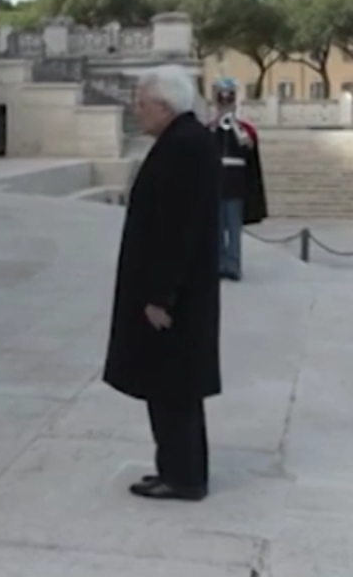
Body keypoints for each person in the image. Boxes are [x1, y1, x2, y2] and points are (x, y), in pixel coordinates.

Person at [103, 65, 222, 502]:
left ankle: (185, 476)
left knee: (174, 385)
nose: (137, 111)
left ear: (164, 105)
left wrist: (159, 295)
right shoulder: (182, 141)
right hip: (177, 293)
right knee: (169, 383)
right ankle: (174, 467)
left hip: (176, 298)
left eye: (142, 102)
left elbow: (178, 230)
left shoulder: (185, 148)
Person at [208, 78, 268, 281]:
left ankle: (233, 265)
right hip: (215, 184)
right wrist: (216, 124)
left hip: (236, 184)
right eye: (221, 99)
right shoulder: (210, 128)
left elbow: (249, 150)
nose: (225, 103)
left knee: (233, 228)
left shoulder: (245, 129)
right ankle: (218, 264)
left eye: (229, 98)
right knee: (216, 229)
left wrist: (234, 126)